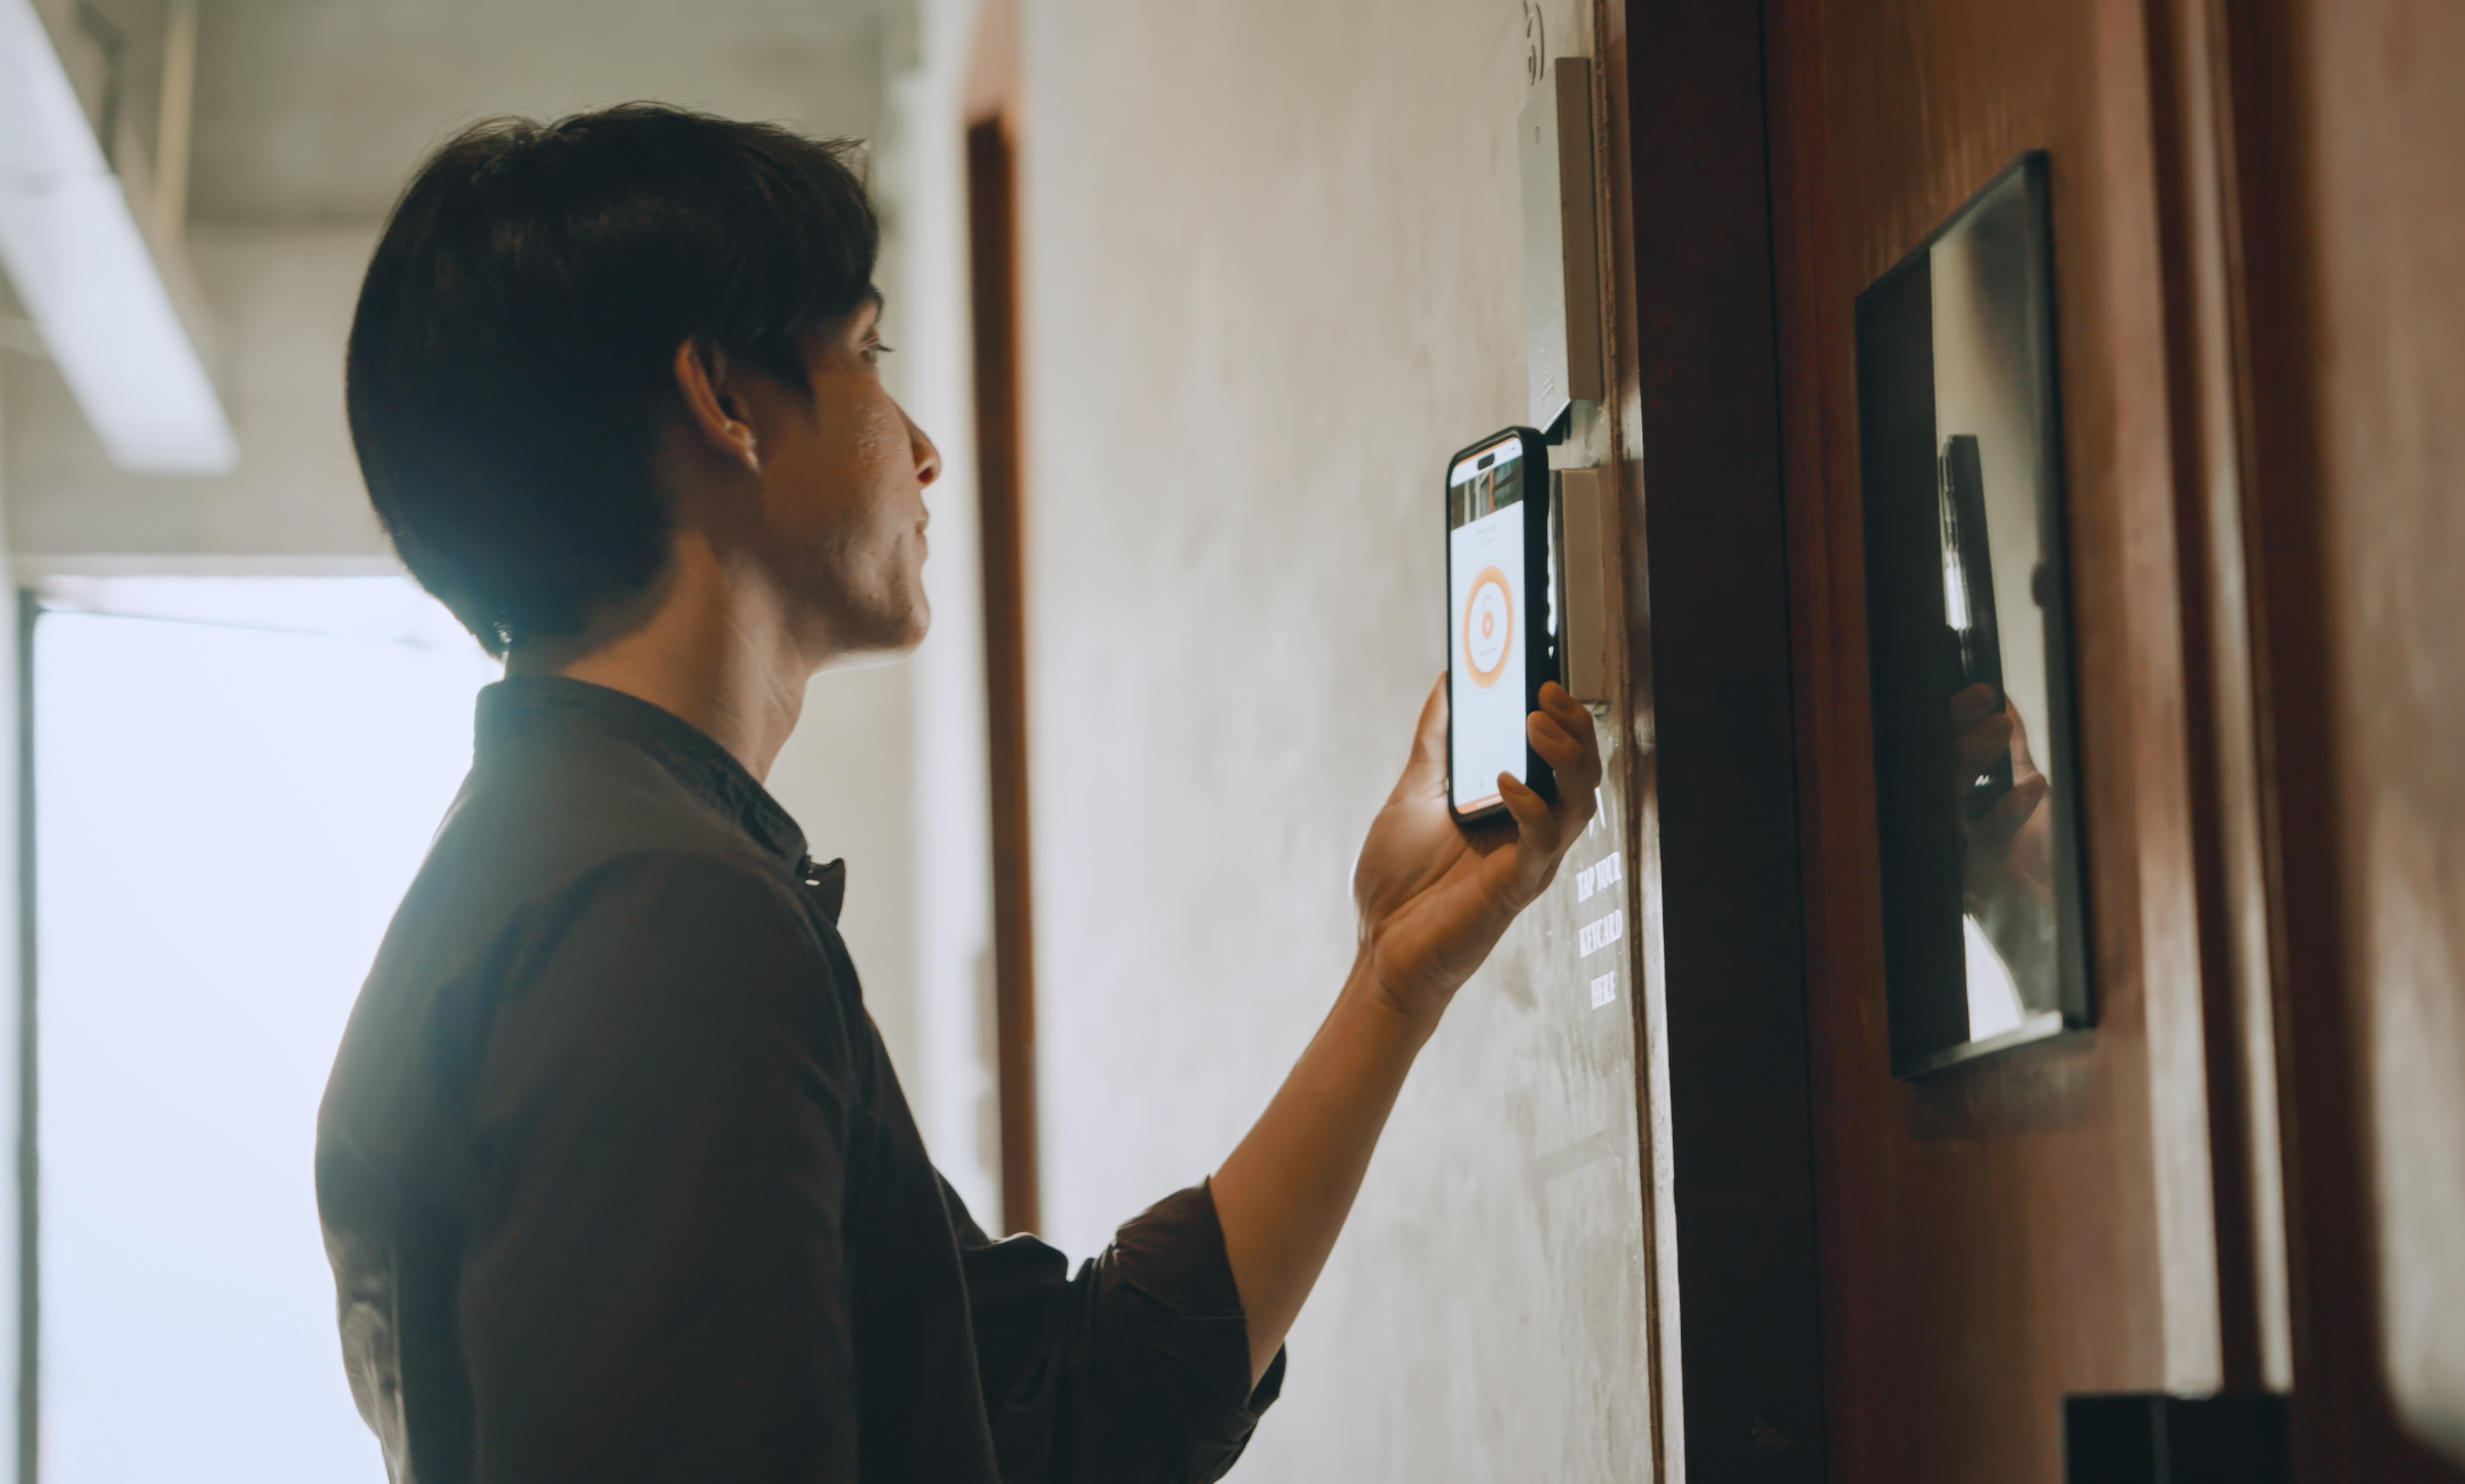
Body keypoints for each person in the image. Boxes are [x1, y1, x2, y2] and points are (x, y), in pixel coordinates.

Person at [316, 104, 1602, 1484]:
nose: (922, 448)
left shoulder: (590, 870)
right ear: (727, 401)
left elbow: (1051, 1408)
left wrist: (1391, 982)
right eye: (868, 355)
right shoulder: (659, 915)